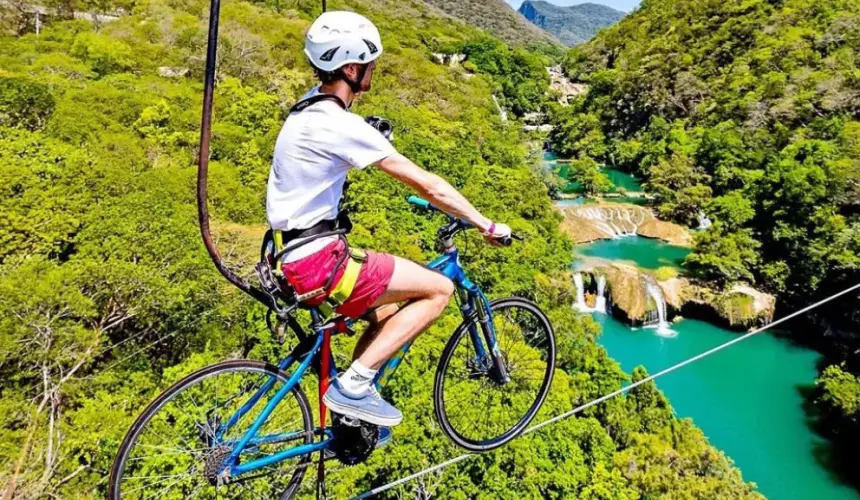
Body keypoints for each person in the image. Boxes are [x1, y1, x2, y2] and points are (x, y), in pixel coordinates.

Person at [266, 10, 511, 429]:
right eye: (369, 63)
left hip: (289, 255)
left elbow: (341, 136)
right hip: (321, 261)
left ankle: (351, 411)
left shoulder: (307, 108)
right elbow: (428, 185)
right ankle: (353, 386)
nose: (374, 69)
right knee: (439, 289)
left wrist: (368, 129)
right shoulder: (338, 125)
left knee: (387, 311)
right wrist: (485, 223)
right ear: (350, 67)